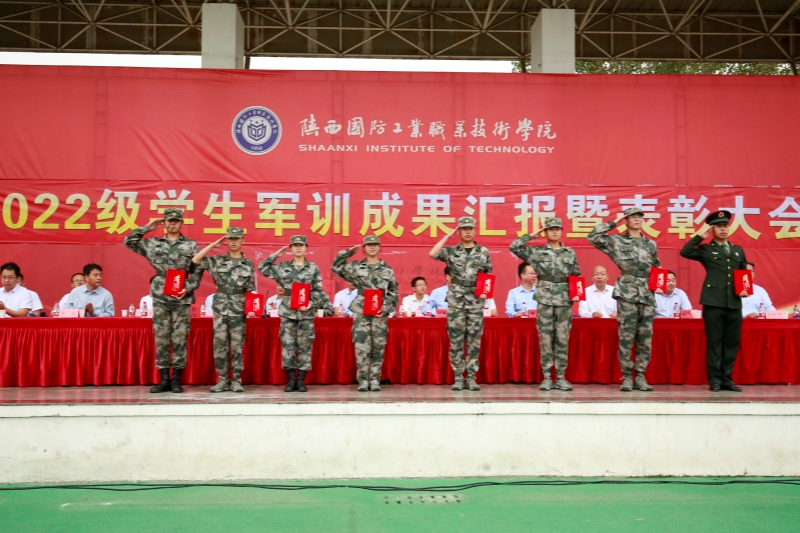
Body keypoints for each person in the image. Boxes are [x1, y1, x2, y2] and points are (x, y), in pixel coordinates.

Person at [124, 208, 202, 394]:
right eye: (169, 220)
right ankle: (164, 379)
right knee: (161, 337)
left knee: (180, 338)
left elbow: (198, 270)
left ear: (181, 223)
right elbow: (129, 242)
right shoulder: (152, 243)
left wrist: (188, 287)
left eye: (176, 221)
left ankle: (176, 380)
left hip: (181, 295)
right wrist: (146, 228)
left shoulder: (190, 245)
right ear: (164, 223)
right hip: (160, 294)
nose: (172, 223)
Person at [589, 207, 661, 392]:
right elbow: (593, 236)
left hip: (647, 293)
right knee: (627, 336)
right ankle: (627, 376)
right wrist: (615, 221)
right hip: (627, 292)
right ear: (626, 220)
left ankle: (641, 376)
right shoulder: (617, 241)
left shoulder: (650, 244)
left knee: (645, 337)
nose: (637, 219)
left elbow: (657, 267)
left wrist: (657, 286)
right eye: (632, 217)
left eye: (639, 217)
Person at [680, 211, 749, 392]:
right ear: (712, 229)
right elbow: (685, 252)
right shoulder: (706, 249)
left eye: (725, 226)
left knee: (732, 342)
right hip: (713, 302)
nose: (723, 229)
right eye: (719, 226)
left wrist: (745, 289)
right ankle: (715, 380)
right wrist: (699, 237)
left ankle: (727, 379)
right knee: (715, 342)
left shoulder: (738, 250)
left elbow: (743, 273)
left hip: (734, 302)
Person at [510, 218, 581, 391]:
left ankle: (561, 377)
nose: (554, 232)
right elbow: (514, 246)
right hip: (545, 299)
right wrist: (533, 235)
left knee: (562, 338)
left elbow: (576, 275)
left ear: (561, 231)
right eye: (550, 229)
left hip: (564, 300)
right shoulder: (537, 252)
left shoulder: (570, 253)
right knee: (546, 339)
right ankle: (547, 377)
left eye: (557, 229)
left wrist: (577, 294)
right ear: (546, 232)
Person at [430, 216, 493, 391]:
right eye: (464, 228)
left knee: (474, 341)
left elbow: (488, 275)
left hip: (475, 300)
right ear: (458, 231)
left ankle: (471, 378)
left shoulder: (483, 252)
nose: (467, 231)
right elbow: (433, 254)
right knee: (456, 340)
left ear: (474, 230)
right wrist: (446, 237)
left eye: (470, 228)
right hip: (456, 301)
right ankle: (458, 377)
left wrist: (485, 295)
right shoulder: (451, 251)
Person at [258, 235, 327, 393]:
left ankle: (301, 380)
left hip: (306, 312)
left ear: (306, 247)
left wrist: (311, 304)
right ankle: (290, 380)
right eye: (295, 245)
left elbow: (319, 291)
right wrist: (276, 255)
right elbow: (262, 268)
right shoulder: (283, 267)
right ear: (291, 248)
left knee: (305, 346)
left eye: (301, 245)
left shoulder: (313, 268)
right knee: (288, 346)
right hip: (288, 312)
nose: (298, 248)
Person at [192, 227, 256, 393]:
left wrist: (251, 308)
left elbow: (250, 289)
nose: (233, 242)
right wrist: (213, 245)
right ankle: (222, 380)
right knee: (219, 345)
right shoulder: (217, 260)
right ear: (226, 240)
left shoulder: (248, 264)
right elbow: (196, 260)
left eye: (237, 239)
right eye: (230, 239)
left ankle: (236, 380)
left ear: (242, 240)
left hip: (239, 308)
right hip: (221, 308)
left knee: (237, 346)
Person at [331, 235, 399, 391]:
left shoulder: (387, 269)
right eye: (369, 245)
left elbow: (394, 292)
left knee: (378, 347)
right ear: (364, 249)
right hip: (362, 310)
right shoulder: (356, 267)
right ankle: (362, 380)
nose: (372, 247)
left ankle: (374, 380)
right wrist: (348, 253)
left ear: (380, 247)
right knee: (361, 346)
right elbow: (335, 267)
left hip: (379, 311)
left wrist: (385, 308)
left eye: (375, 244)